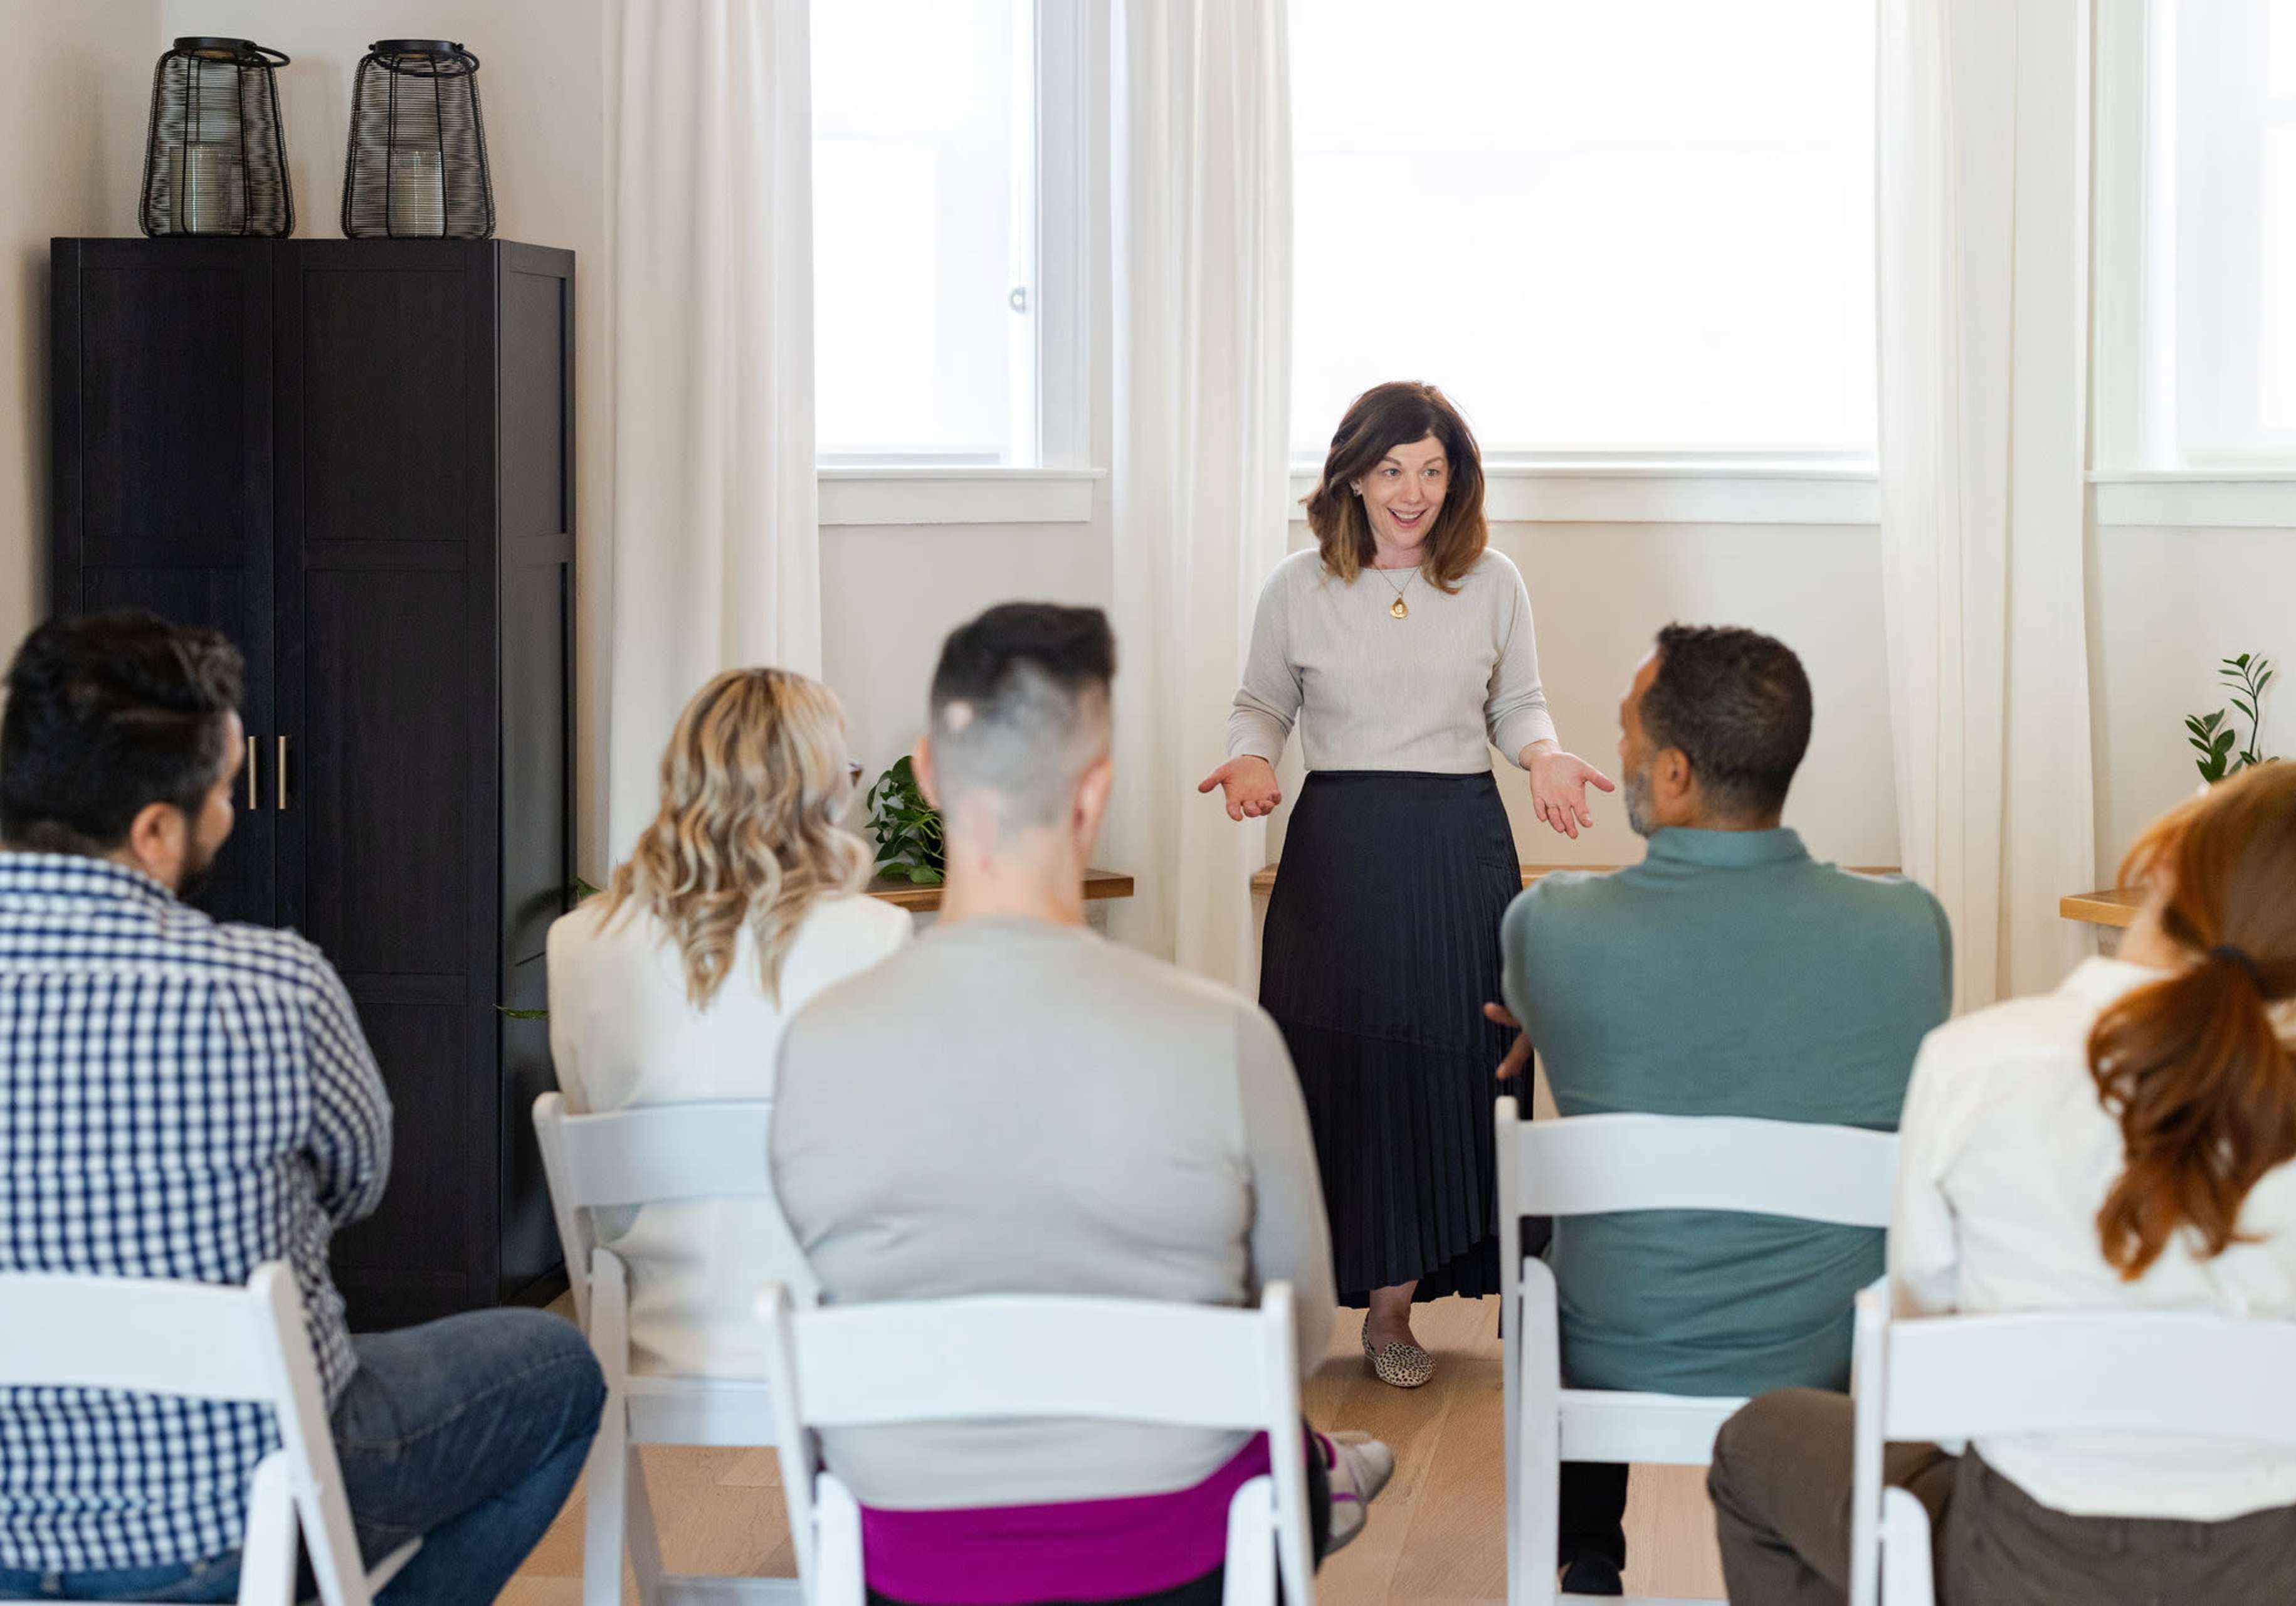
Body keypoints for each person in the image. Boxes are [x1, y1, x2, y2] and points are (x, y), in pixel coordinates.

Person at [772, 603, 1393, 1606]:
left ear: (929, 773)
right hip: (1178, 1555)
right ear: (1093, 794)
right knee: (1288, 1456)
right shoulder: (1224, 1038)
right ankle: (1337, 1478)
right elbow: (1300, 1326)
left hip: (912, 1563)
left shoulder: (817, 1043)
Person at [0, 611, 603, 1605]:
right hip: (232, 1522)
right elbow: (358, 1185)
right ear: (154, 830)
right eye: (224, 792)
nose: (233, 815)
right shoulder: (270, 990)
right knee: (557, 1369)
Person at [1707, 759, 2296, 1605]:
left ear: (2162, 864)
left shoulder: (1973, 1065)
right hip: (2275, 1576)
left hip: (2015, 1567)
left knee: (1756, 1444)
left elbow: (1930, 1347)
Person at [1490, 623, 1951, 1595]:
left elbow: (1558, 998)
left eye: (1624, 735)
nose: (1614, 754)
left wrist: (1556, 1019)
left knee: (1556, 1226)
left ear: (1674, 772)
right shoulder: (1911, 931)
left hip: (1614, 1339)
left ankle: (1585, 1556)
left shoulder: (1551, 930)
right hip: (1829, 1350)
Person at [1199, 380, 1614, 1388]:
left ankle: (1396, 1313)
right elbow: (1260, 704)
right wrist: (1251, 760)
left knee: (1449, 1063)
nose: (1413, 491)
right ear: (1352, 473)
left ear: (1457, 481)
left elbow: (1519, 706)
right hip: (1338, 847)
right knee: (1331, 1069)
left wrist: (1547, 758)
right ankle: (1305, 1302)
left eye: (1433, 471)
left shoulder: (1493, 581)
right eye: (1393, 469)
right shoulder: (1297, 586)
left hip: (1456, 844)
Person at [547, 667, 910, 1378]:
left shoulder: (578, 942)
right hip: (830, 1325)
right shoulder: (877, 937)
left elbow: (595, 1142)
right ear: (824, 786)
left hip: (645, 1326)